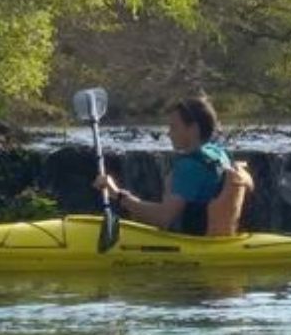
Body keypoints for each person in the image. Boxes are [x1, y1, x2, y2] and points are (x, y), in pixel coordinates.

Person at [95, 95, 252, 236]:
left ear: (193, 129)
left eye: (174, 127)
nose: (169, 133)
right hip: (219, 240)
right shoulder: (218, 153)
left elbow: (164, 218)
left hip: (194, 246)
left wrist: (118, 194)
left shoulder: (189, 167)